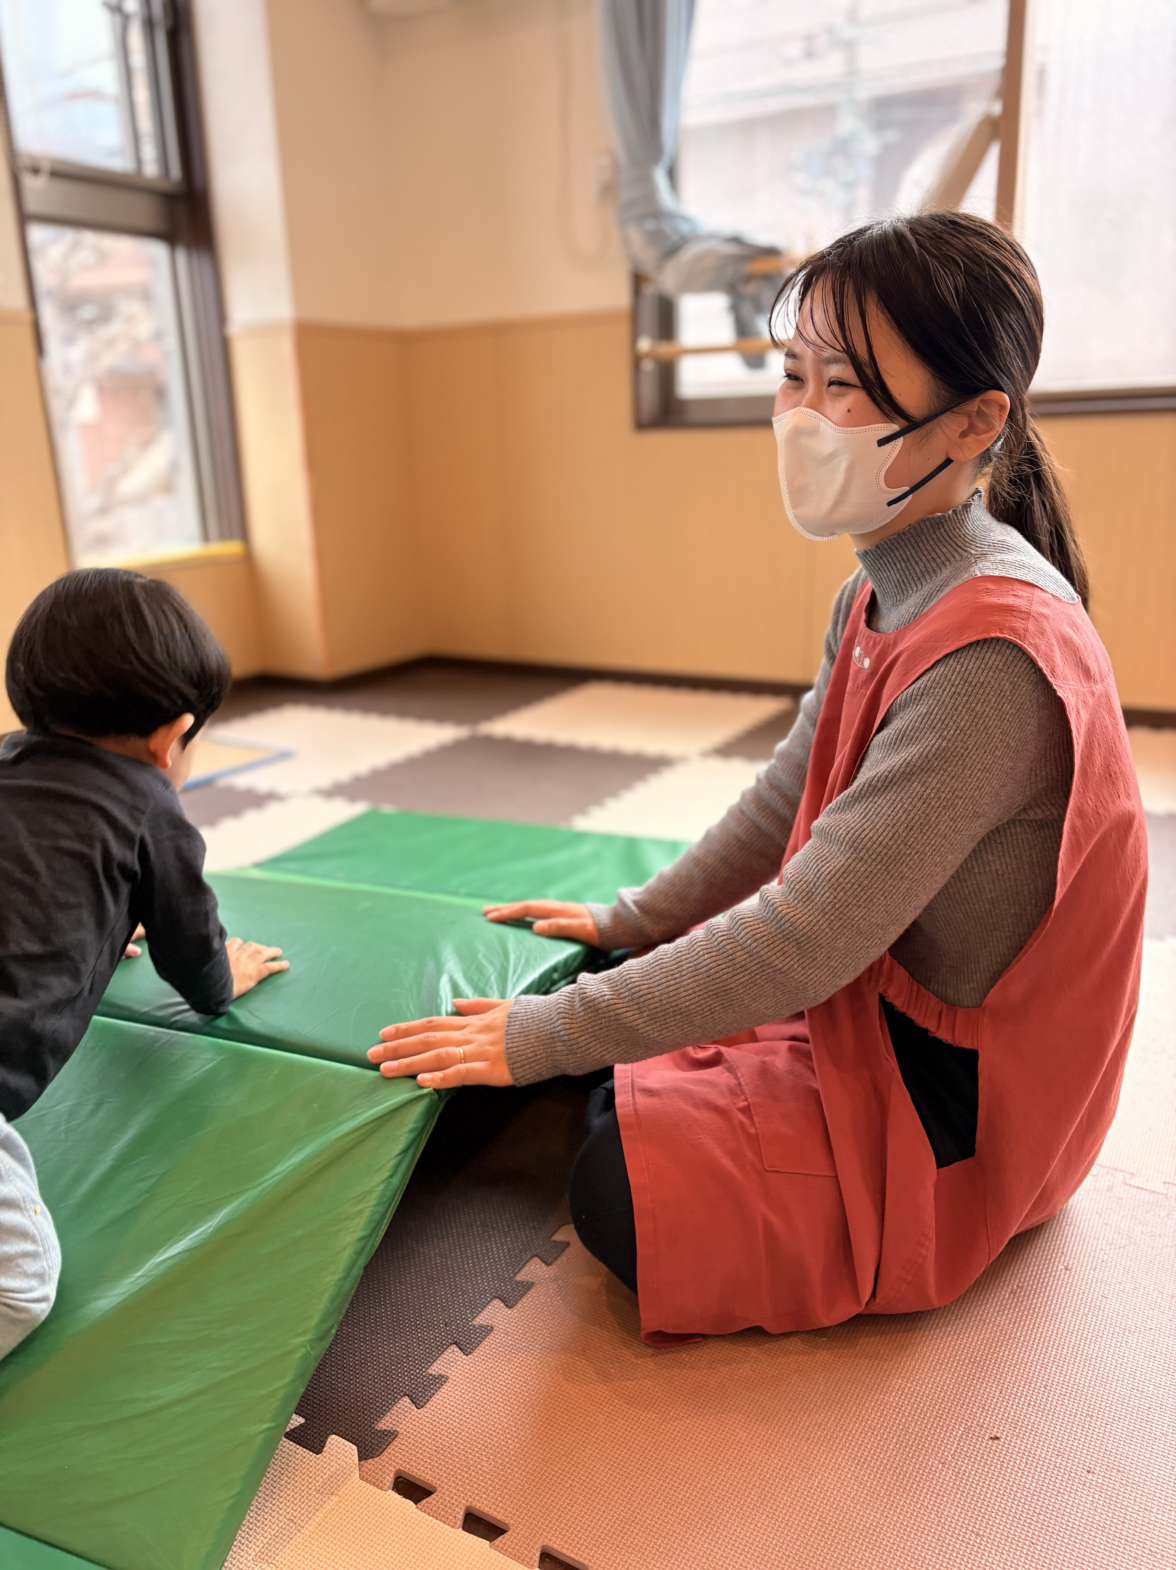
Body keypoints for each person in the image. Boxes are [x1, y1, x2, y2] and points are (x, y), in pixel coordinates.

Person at [368, 211, 1148, 1340]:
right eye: (794, 375)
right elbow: (792, 795)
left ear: (977, 422)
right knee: (587, 995)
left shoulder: (992, 657)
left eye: (849, 386)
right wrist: (627, 918)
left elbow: (810, 933)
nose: (803, 416)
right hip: (866, 1001)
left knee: (614, 1187)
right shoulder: (882, 586)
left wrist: (544, 1038)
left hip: (957, 1105)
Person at [0, 570, 289, 1362]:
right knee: (19, 1287)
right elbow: (192, 952)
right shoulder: (148, 810)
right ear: (174, 739)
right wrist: (228, 977)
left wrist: (88, 923)